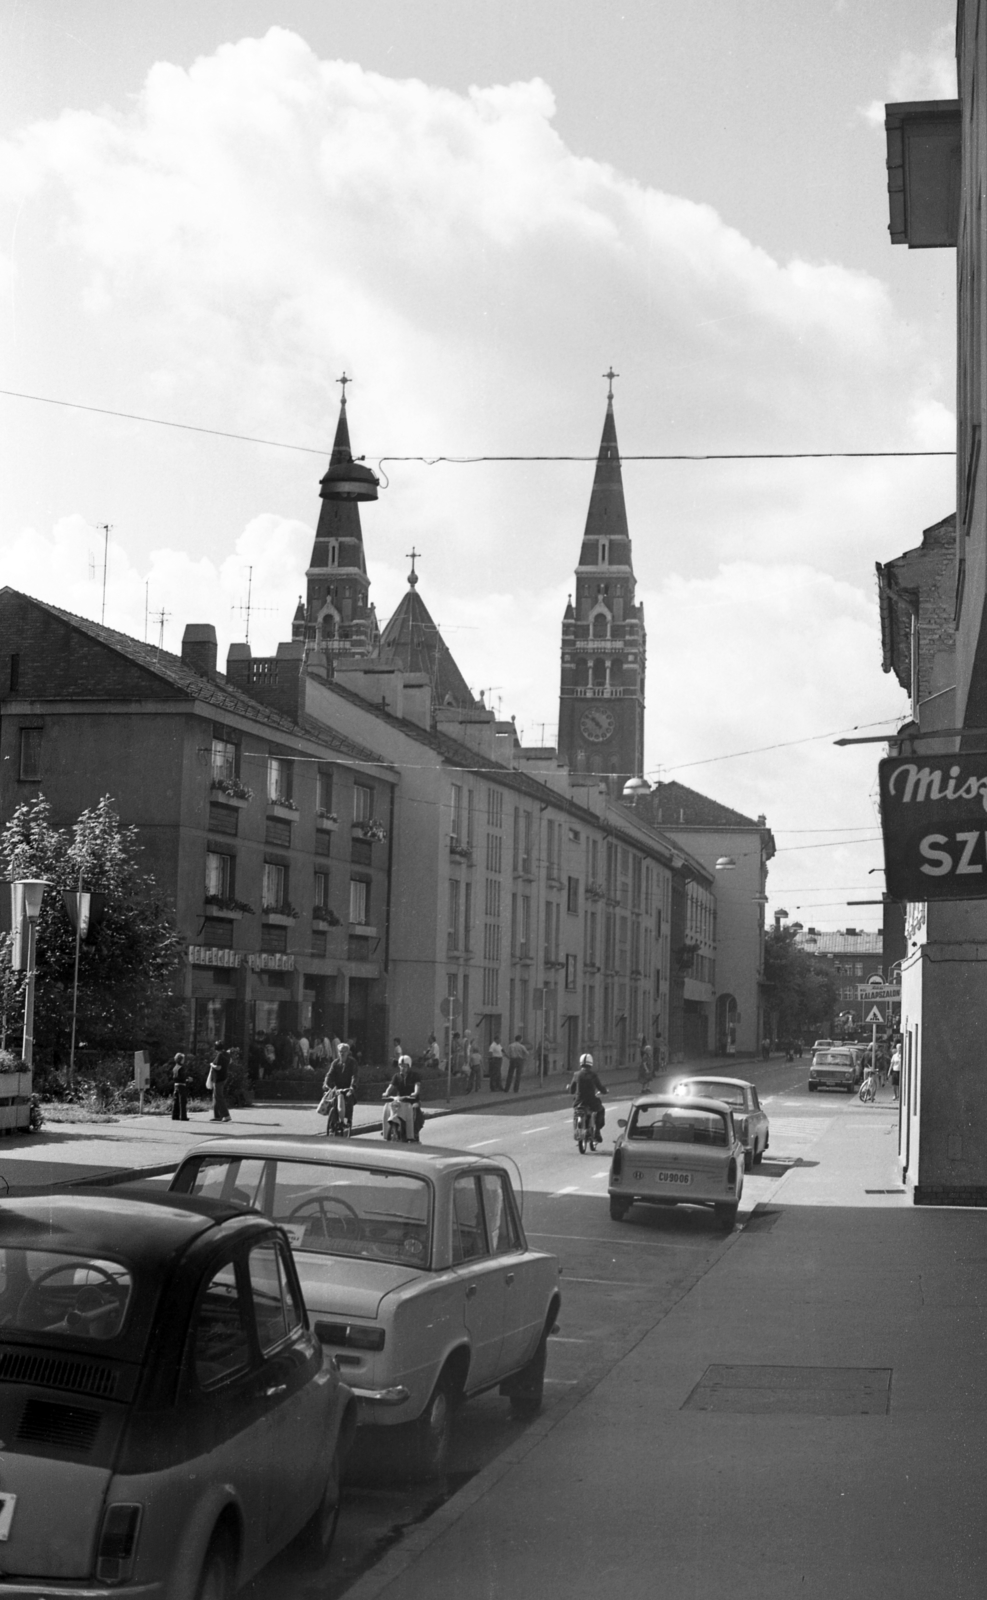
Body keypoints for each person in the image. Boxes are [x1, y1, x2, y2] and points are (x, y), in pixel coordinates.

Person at [383, 1054, 423, 1141]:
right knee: (390, 1107)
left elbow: (417, 1085)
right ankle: (387, 1128)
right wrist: (386, 1093)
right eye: (401, 1066)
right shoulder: (396, 1076)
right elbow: (391, 1086)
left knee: (415, 1109)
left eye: (404, 1066)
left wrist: (415, 1093)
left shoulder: (415, 1076)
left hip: (412, 1100)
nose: (402, 1068)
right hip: (401, 1100)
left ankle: (414, 1131)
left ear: (409, 1066)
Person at [568, 1052, 607, 1139]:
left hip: (579, 1102)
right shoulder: (593, 1075)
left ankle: (578, 1129)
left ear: (581, 1063)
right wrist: (605, 1091)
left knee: (576, 1112)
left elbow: (571, 1090)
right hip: (591, 1102)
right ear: (591, 1063)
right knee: (601, 1110)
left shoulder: (576, 1074)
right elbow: (600, 1087)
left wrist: (569, 1088)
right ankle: (597, 1132)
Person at [322, 1045, 358, 1134]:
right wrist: (326, 1084)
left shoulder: (352, 1062)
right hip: (337, 1088)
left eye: (344, 1051)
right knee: (332, 1101)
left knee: (348, 1100)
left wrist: (352, 1087)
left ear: (348, 1052)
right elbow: (329, 1074)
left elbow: (355, 1076)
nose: (342, 1053)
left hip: (348, 1088)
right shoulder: (335, 1063)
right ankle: (332, 1122)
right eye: (340, 1051)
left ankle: (347, 1120)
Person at [209, 1044, 232, 1122]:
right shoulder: (227, 1054)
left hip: (218, 1078)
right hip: (223, 1077)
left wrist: (212, 1065)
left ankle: (226, 1115)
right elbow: (230, 1061)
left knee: (219, 1096)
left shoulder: (220, 1055)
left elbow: (218, 1067)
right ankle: (217, 1115)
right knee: (215, 1096)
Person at [170, 1052, 189, 1121]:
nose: (184, 1060)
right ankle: (183, 1116)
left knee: (176, 1101)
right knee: (182, 1101)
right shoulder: (181, 1068)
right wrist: (187, 1079)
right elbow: (182, 1077)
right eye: (183, 1059)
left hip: (176, 1085)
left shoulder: (175, 1067)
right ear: (180, 1059)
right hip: (182, 1085)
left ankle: (175, 1115)